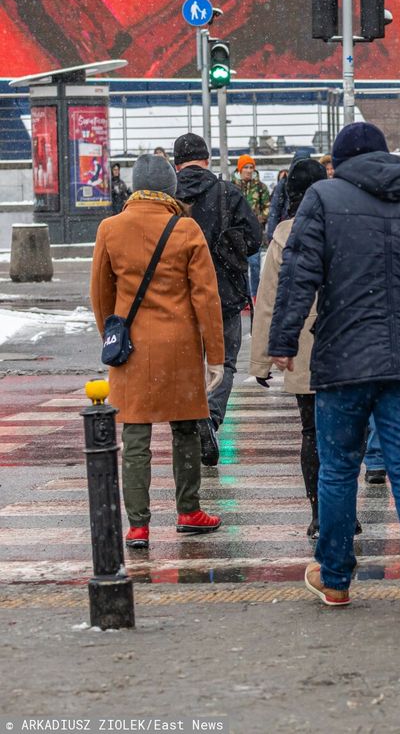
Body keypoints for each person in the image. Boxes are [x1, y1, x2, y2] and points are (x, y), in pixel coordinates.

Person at [270, 121, 400, 613]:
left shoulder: (323, 198)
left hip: (344, 357)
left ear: (341, 161)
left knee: (338, 468)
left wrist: (284, 339)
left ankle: (334, 577)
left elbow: (299, 272)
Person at [90, 154, 225, 549]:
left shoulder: (110, 228)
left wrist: (113, 336)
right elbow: (206, 297)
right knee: (185, 430)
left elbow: (101, 295)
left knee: (135, 435)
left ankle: (138, 525)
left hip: (132, 348)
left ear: (134, 186)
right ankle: (188, 511)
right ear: (170, 188)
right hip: (180, 347)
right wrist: (213, 353)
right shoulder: (185, 229)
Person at [249, 158, 365, 539]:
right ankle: (346, 509)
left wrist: (262, 361)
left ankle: (319, 514)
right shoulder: (346, 223)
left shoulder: (283, 234)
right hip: (345, 345)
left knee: (312, 433)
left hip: (301, 346)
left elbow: (268, 301)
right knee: (348, 433)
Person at [173, 133, 261, 467]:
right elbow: (254, 239)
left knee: (187, 361)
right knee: (223, 362)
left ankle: (190, 419)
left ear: (177, 164)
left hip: (179, 294)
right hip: (224, 292)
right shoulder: (227, 192)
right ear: (207, 160)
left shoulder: (170, 195)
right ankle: (209, 417)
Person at [234, 154, 271, 299]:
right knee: (239, 266)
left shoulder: (261, 187)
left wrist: (257, 220)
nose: (249, 170)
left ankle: (255, 296)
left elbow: (267, 207)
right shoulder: (232, 186)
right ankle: (244, 296)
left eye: (251, 167)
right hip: (237, 232)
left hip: (254, 233)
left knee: (255, 264)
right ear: (240, 169)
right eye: (246, 167)